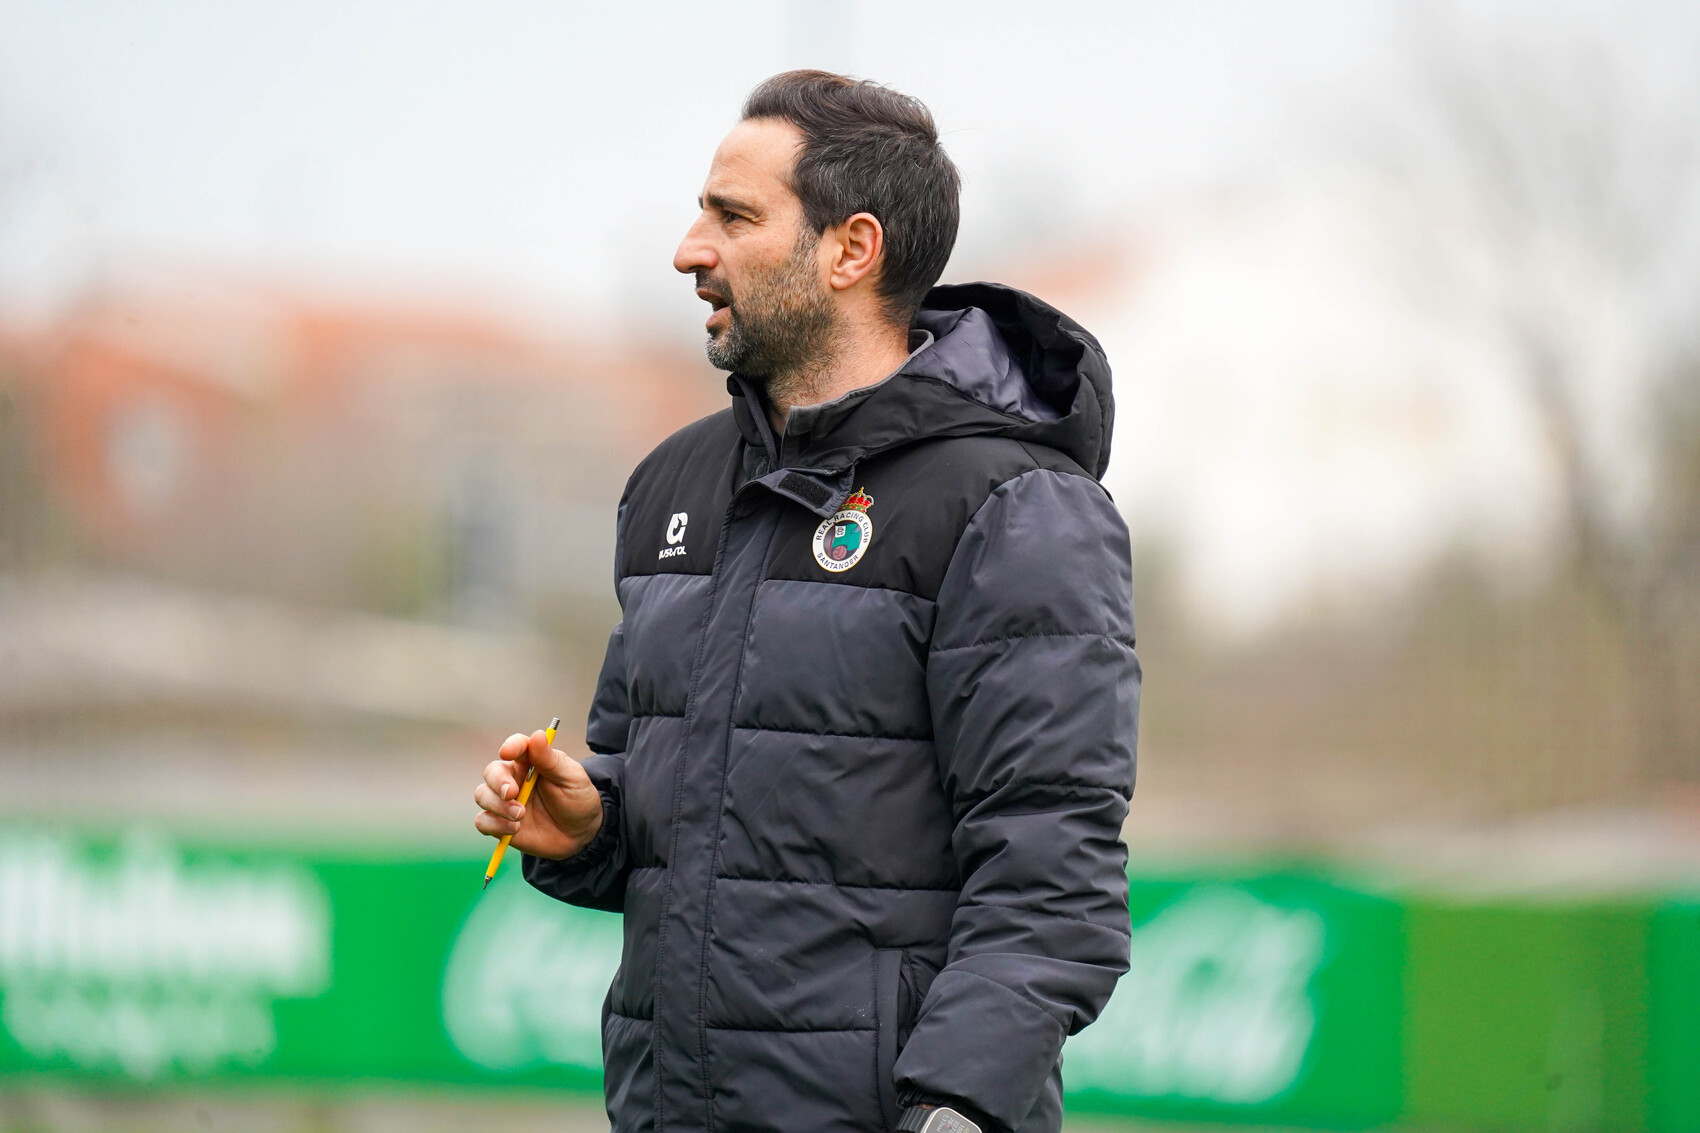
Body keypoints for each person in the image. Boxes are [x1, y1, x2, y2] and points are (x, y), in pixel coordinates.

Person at [474, 70, 1139, 1133]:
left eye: (732, 216)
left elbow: (1050, 874)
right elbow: (667, 789)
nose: (690, 249)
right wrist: (592, 819)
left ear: (850, 249)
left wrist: (959, 1103)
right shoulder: (670, 484)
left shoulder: (1017, 507)